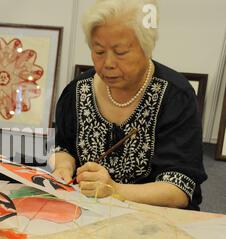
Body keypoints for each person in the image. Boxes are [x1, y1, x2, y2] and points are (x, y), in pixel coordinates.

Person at [49, 0, 207, 210]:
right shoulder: (77, 91)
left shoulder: (175, 96)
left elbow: (180, 189)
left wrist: (114, 190)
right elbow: (64, 147)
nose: (108, 63)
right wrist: (63, 166)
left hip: (153, 222)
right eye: (99, 51)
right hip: (86, 213)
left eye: (121, 52)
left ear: (146, 48)